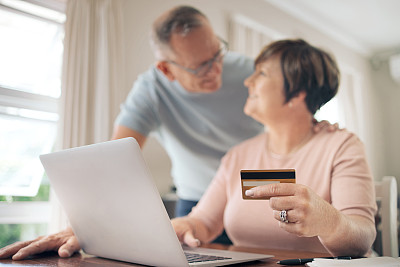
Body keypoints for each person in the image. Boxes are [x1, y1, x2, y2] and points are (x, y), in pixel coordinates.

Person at [0, 6, 335, 260]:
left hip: (254, 192)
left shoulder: (248, 70)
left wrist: (317, 126)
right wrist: (85, 225)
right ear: (166, 68)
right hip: (195, 203)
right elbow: (113, 162)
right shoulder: (149, 93)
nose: (216, 69)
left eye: (217, 53)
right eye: (202, 66)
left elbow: (294, 105)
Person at [172, 39, 377, 257]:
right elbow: (204, 221)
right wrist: (186, 227)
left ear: (298, 93)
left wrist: (329, 221)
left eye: (261, 74)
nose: (248, 82)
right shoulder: (238, 155)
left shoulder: (342, 146)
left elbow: (362, 237)